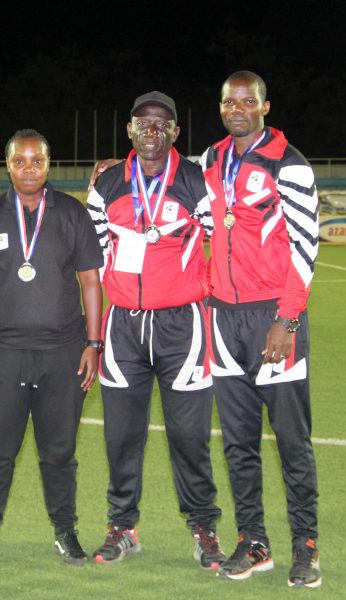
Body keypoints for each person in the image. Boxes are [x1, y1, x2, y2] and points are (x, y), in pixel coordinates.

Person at [86, 92, 225, 569]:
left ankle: (204, 528)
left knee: (190, 437)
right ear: (129, 130)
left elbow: (221, 242)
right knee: (121, 437)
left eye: (162, 124)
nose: (151, 130)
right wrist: (91, 335)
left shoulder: (195, 181)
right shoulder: (107, 184)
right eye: (142, 123)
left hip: (182, 326)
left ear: (175, 133)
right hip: (123, 326)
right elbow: (92, 258)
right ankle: (122, 527)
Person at [198, 71, 321, 588]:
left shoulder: (289, 164)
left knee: (291, 441)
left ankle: (306, 547)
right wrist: (120, 166)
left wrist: (286, 319)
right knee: (239, 443)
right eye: (230, 101)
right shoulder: (210, 159)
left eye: (248, 101)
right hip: (224, 319)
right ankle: (253, 543)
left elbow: (307, 245)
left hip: (273, 318)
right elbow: (184, 197)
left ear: (265, 107)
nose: (238, 109)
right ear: (221, 107)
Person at [0, 129, 103, 567]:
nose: (28, 169)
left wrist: (93, 343)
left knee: (59, 452)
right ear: (8, 165)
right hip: (1, 354)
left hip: (63, 353)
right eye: (19, 161)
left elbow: (91, 281)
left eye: (36, 161)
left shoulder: (72, 213)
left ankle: (66, 531)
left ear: (48, 164)